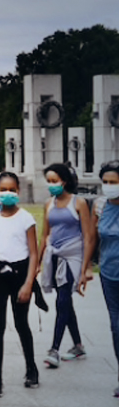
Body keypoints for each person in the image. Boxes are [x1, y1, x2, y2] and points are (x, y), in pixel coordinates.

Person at [0, 171, 40, 397]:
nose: (7, 193)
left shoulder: (26, 218)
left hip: (20, 275)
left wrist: (28, 284)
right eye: (3, 189)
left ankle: (31, 368)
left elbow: (34, 254)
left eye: (12, 189)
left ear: (18, 191)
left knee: (21, 324)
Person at [39, 163, 94, 368]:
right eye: (49, 181)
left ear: (64, 180)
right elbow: (45, 235)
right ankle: (78, 344)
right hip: (54, 255)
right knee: (65, 302)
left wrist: (85, 268)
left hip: (73, 256)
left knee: (62, 301)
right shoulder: (48, 204)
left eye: (54, 181)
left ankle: (54, 350)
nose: (51, 185)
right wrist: (38, 263)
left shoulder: (78, 203)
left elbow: (88, 237)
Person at [91, 160, 119, 397]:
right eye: (106, 182)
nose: (109, 186)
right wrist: (85, 269)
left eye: (114, 182)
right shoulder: (100, 205)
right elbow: (92, 238)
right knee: (116, 327)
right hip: (109, 274)